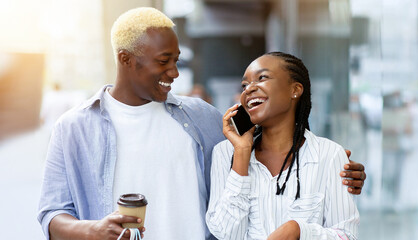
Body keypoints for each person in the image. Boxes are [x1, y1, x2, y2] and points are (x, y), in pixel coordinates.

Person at [38, 8, 365, 240]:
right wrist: (92, 230)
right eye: (163, 61)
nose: (175, 73)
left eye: (177, 61)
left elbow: (269, 135)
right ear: (126, 59)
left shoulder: (200, 116)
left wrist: (333, 165)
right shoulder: (73, 128)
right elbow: (52, 214)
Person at [206, 52, 359, 239]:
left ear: (295, 89)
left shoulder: (330, 155)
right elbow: (226, 233)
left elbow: (347, 235)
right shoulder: (225, 153)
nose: (249, 89)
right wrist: (242, 153)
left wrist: (299, 231)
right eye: (245, 85)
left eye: (262, 78)